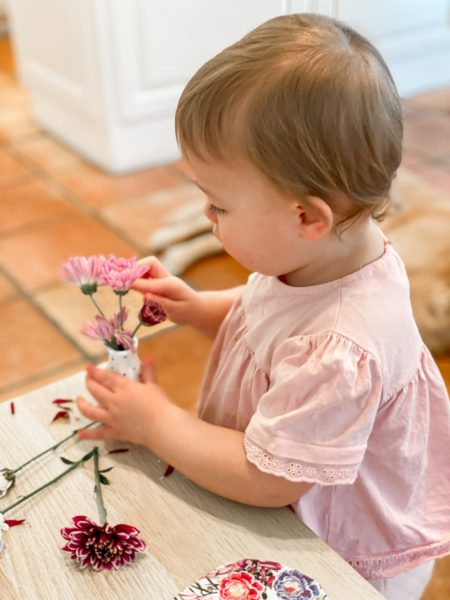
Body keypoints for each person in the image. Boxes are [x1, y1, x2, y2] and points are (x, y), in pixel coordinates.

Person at [76, 13, 450, 599]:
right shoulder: (323, 260)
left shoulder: (344, 345)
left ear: (306, 217)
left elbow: (266, 475)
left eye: (219, 205)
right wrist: (199, 307)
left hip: (340, 557)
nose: (206, 217)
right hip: (291, 506)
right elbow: (271, 315)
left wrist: (156, 421)